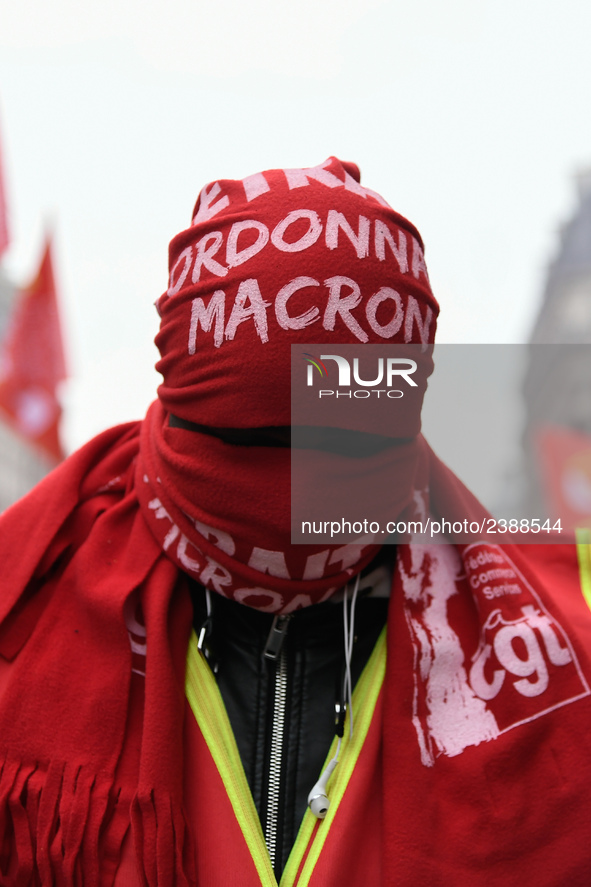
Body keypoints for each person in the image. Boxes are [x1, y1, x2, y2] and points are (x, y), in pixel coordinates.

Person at [0, 157, 590, 887]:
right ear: (180, 406)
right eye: (251, 443)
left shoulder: (568, 643)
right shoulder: (21, 603)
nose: (288, 504)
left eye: (338, 447)